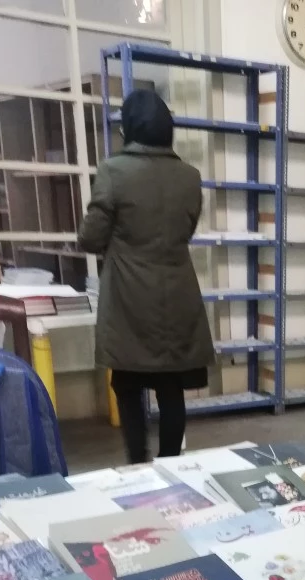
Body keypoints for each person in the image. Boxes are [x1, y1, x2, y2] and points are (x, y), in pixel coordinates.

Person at [78, 89, 213, 464]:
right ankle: (172, 464)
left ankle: (138, 466)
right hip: (177, 293)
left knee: (128, 384)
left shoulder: (113, 171)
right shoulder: (190, 177)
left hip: (129, 297)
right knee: (171, 387)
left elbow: (91, 237)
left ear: (129, 128)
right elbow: (186, 231)